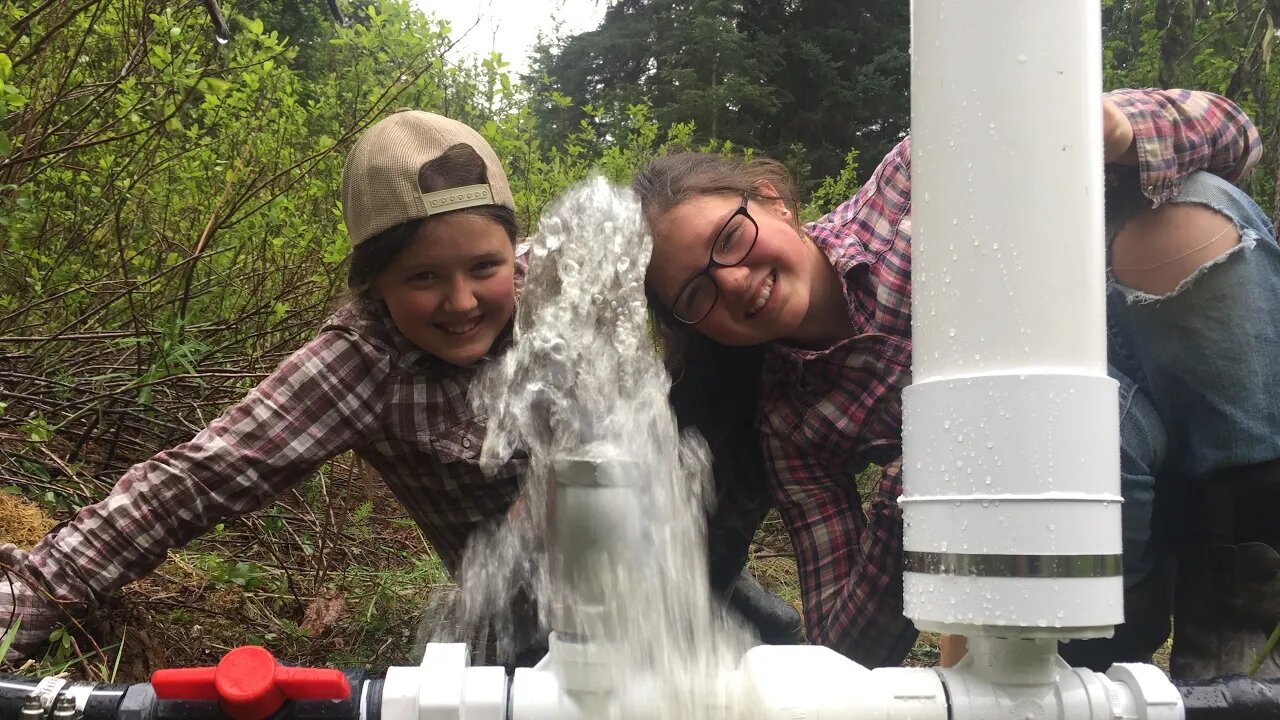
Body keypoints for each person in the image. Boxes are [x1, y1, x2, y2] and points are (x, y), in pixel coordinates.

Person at [0, 110, 800, 666]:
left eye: (485, 268)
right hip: (529, 621)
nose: (461, 301)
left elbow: (693, 301)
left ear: (513, 253)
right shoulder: (356, 367)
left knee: (778, 652)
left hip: (658, 565)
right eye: (422, 278)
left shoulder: (558, 286)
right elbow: (196, 479)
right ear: (375, 285)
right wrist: (31, 592)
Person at [635, 88, 1280, 677]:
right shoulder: (791, 421)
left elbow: (1235, 133)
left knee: (1196, 213)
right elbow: (844, 643)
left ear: (774, 200)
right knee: (1027, 425)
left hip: (1194, 413)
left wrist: (1115, 132)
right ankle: (1101, 661)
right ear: (699, 330)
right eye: (698, 293)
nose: (736, 281)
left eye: (730, 238)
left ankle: (1241, 627)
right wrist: (921, 489)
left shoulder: (917, 179)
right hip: (1080, 518)